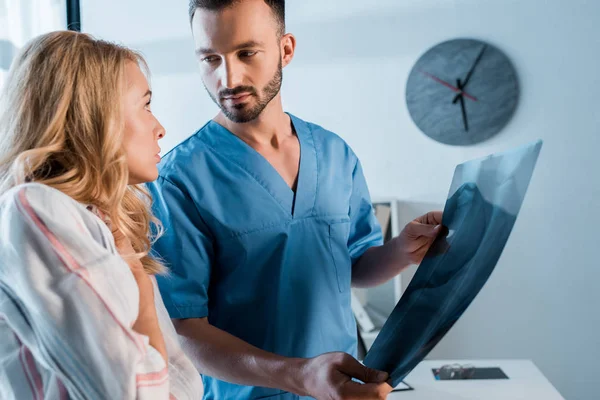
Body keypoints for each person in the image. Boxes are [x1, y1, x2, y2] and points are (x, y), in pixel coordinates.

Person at [149, 1, 442, 399]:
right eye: (211, 58)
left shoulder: (335, 154)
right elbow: (185, 329)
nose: (228, 77)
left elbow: (354, 266)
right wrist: (300, 375)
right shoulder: (179, 178)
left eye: (246, 53)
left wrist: (403, 250)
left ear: (286, 49)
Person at [0, 31, 204, 399]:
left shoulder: (103, 229)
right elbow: (135, 393)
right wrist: (141, 298)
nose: (160, 128)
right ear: (96, 117)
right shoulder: (33, 209)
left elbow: (185, 385)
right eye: (145, 105)